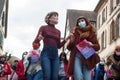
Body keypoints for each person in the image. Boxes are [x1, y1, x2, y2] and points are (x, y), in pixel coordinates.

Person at [33, 11, 70, 80]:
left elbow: (59, 46)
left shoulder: (58, 31)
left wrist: (66, 39)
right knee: (47, 76)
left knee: (55, 77)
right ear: (49, 18)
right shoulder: (43, 28)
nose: (56, 17)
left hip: (55, 55)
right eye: (54, 15)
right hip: (46, 54)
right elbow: (35, 42)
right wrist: (39, 39)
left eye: (57, 16)